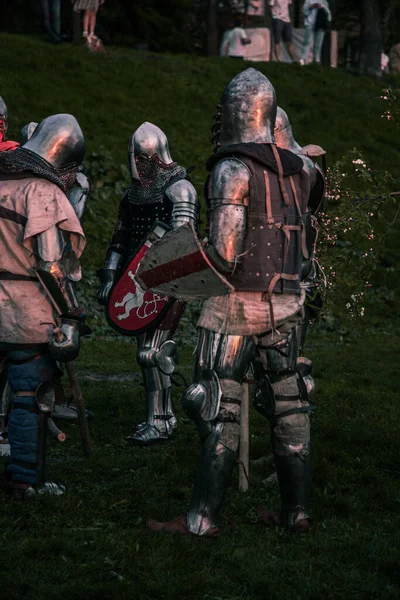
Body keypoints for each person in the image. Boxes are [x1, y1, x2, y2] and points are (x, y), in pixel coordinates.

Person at [147, 68, 316, 537]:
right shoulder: (299, 170)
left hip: (235, 306)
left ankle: (202, 520)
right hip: (286, 303)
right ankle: (295, 513)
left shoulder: (233, 169)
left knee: (215, 403)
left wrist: (177, 271)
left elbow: (224, 253)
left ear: (234, 114)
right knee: (290, 404)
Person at [0, 114, 90, 500]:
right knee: (30, 395)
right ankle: (26, 480)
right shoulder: (40, 192)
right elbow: (51, 265)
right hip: (24, 310)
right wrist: (71, 312)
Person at [97, 123, 199, 446]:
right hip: (134, 284)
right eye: (136, 159)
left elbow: (183, 244)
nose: (138, 166)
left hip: (167, 284)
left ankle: (161, 421)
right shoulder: (133, 194)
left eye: (143, 160)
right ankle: (159, 416)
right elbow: (121, 237)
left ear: (156, 157)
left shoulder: (181, 190)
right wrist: (112, 276)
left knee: (152, 353)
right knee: (146, 353)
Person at [299, 0, 332, 65]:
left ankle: (316, 60)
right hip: (310, 24)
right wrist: (311, 7)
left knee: (318, 44)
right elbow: (304, 12)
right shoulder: (308, 1)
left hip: (320, 25)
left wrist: (322, 7)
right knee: (307, 42)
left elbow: (328, 14)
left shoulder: (324, 1)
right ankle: (303, 59)